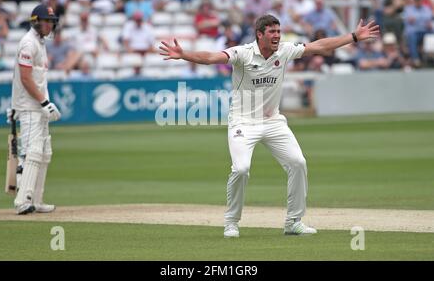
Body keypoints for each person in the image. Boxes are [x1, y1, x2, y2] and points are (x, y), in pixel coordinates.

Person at [159, 14, 379, 237]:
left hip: (273, 121)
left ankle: (293, 221)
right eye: (272, 32)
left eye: (278, 31)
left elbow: (319, 46)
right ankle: (231, 222)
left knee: (298, 162)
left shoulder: (284, 50)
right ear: (259, 34)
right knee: (241, 169)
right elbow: (211, 57)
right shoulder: (243, 53)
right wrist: (184, 54)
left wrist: (353, 37)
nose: (277, 35)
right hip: (243, 122)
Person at [9, 4, 61, 215]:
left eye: (51, 21)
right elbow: (25, 78)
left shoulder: (40, 42)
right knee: (32, 152)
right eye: (46, 21)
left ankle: (36, 200)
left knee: (44, 153)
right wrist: (45, 103)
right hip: (29, 106)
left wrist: (44, 103)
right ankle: (22, 200)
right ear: (36, 21)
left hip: (38, 106)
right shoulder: (28, 44)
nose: (49, 25)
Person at [402, 0, 432, 67]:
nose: (418, 0)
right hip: (414, 32)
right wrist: (421, 19)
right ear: (414, 0)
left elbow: (429, 19)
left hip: (425, 30)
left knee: (432, 32)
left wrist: (417, 19)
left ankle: (430, 58)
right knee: (412, 36)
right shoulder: (408, 9)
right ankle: (415, 59)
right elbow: (410, 20)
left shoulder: (426, 8)